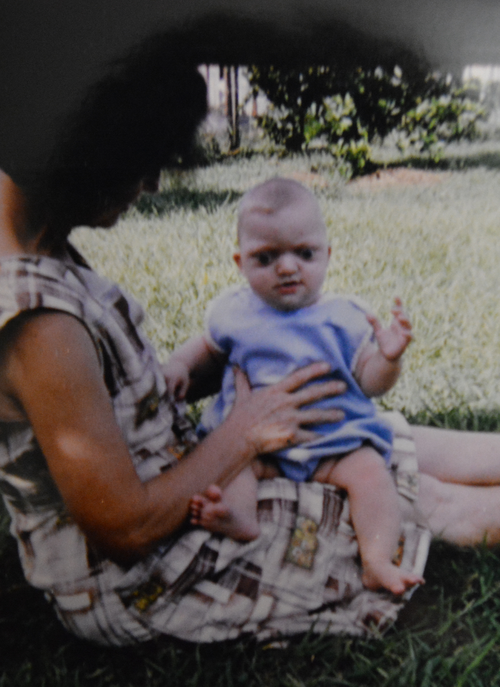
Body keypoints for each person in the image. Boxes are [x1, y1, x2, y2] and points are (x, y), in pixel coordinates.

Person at [2, 33, 500, 647]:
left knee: (392, 440)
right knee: (423, 500)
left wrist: (201, 374)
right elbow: (122, 529)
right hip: (152, 570)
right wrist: (244, 432)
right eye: (144, 158)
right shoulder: (36, 320)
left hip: (195, 475)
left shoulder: (41, 253)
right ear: (84, 145)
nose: (153, 183)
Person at [164, 177, 422, 596]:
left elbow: (370, 383)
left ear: (327, 255)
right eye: (266, 258)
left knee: (373, 475)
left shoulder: (344, 316)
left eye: (304, 254)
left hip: (332, 445)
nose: (287, 268)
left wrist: (388, 359)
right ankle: (240, 518)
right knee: (229, 467)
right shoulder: (234, 312)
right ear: (240, 262)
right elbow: (207, 349)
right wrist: (178, 364)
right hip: (257, 449)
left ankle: (377, 560)